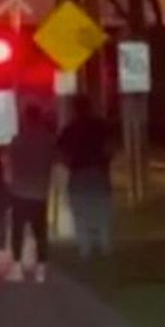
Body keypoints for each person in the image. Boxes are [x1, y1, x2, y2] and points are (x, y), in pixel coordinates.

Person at [58, 95, 114, 259]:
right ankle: (105, 246)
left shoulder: (69, 129)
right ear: (90, 107)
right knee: (102, 213)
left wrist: (70, 165)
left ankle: (85, 249)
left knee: (80, 214)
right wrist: (105, 162)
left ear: (75, 109)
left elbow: (61, 154)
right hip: (99, 174)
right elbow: (110, 148)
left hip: (78, 175)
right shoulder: (101, 126)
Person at [4, 104, 56, 283]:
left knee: (18, 231)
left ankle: (17, 268)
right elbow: (54, 161)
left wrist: (9, 184)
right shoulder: (48, 141)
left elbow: (9, 165)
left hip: (20, 191)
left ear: (25, 119)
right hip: (40, 192)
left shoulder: (17, 141)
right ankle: (41, 269)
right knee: (40, 232)